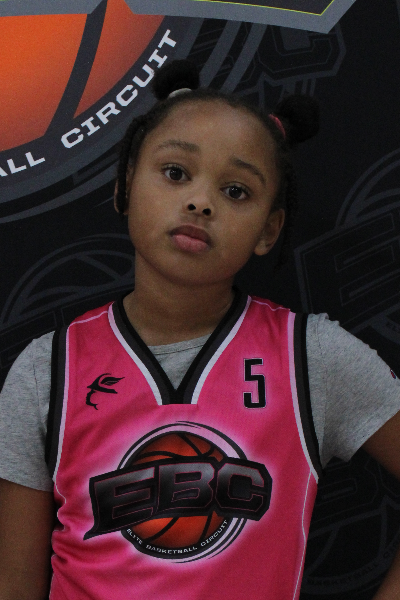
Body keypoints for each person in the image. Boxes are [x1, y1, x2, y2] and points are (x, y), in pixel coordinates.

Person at [1, 60, 400, 600]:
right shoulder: (47, 368)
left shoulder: (312, 357)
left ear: (269, 230)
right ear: (125, 186)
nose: (200, 202)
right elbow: (14, 581)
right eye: (175, 173)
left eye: (235, 191)